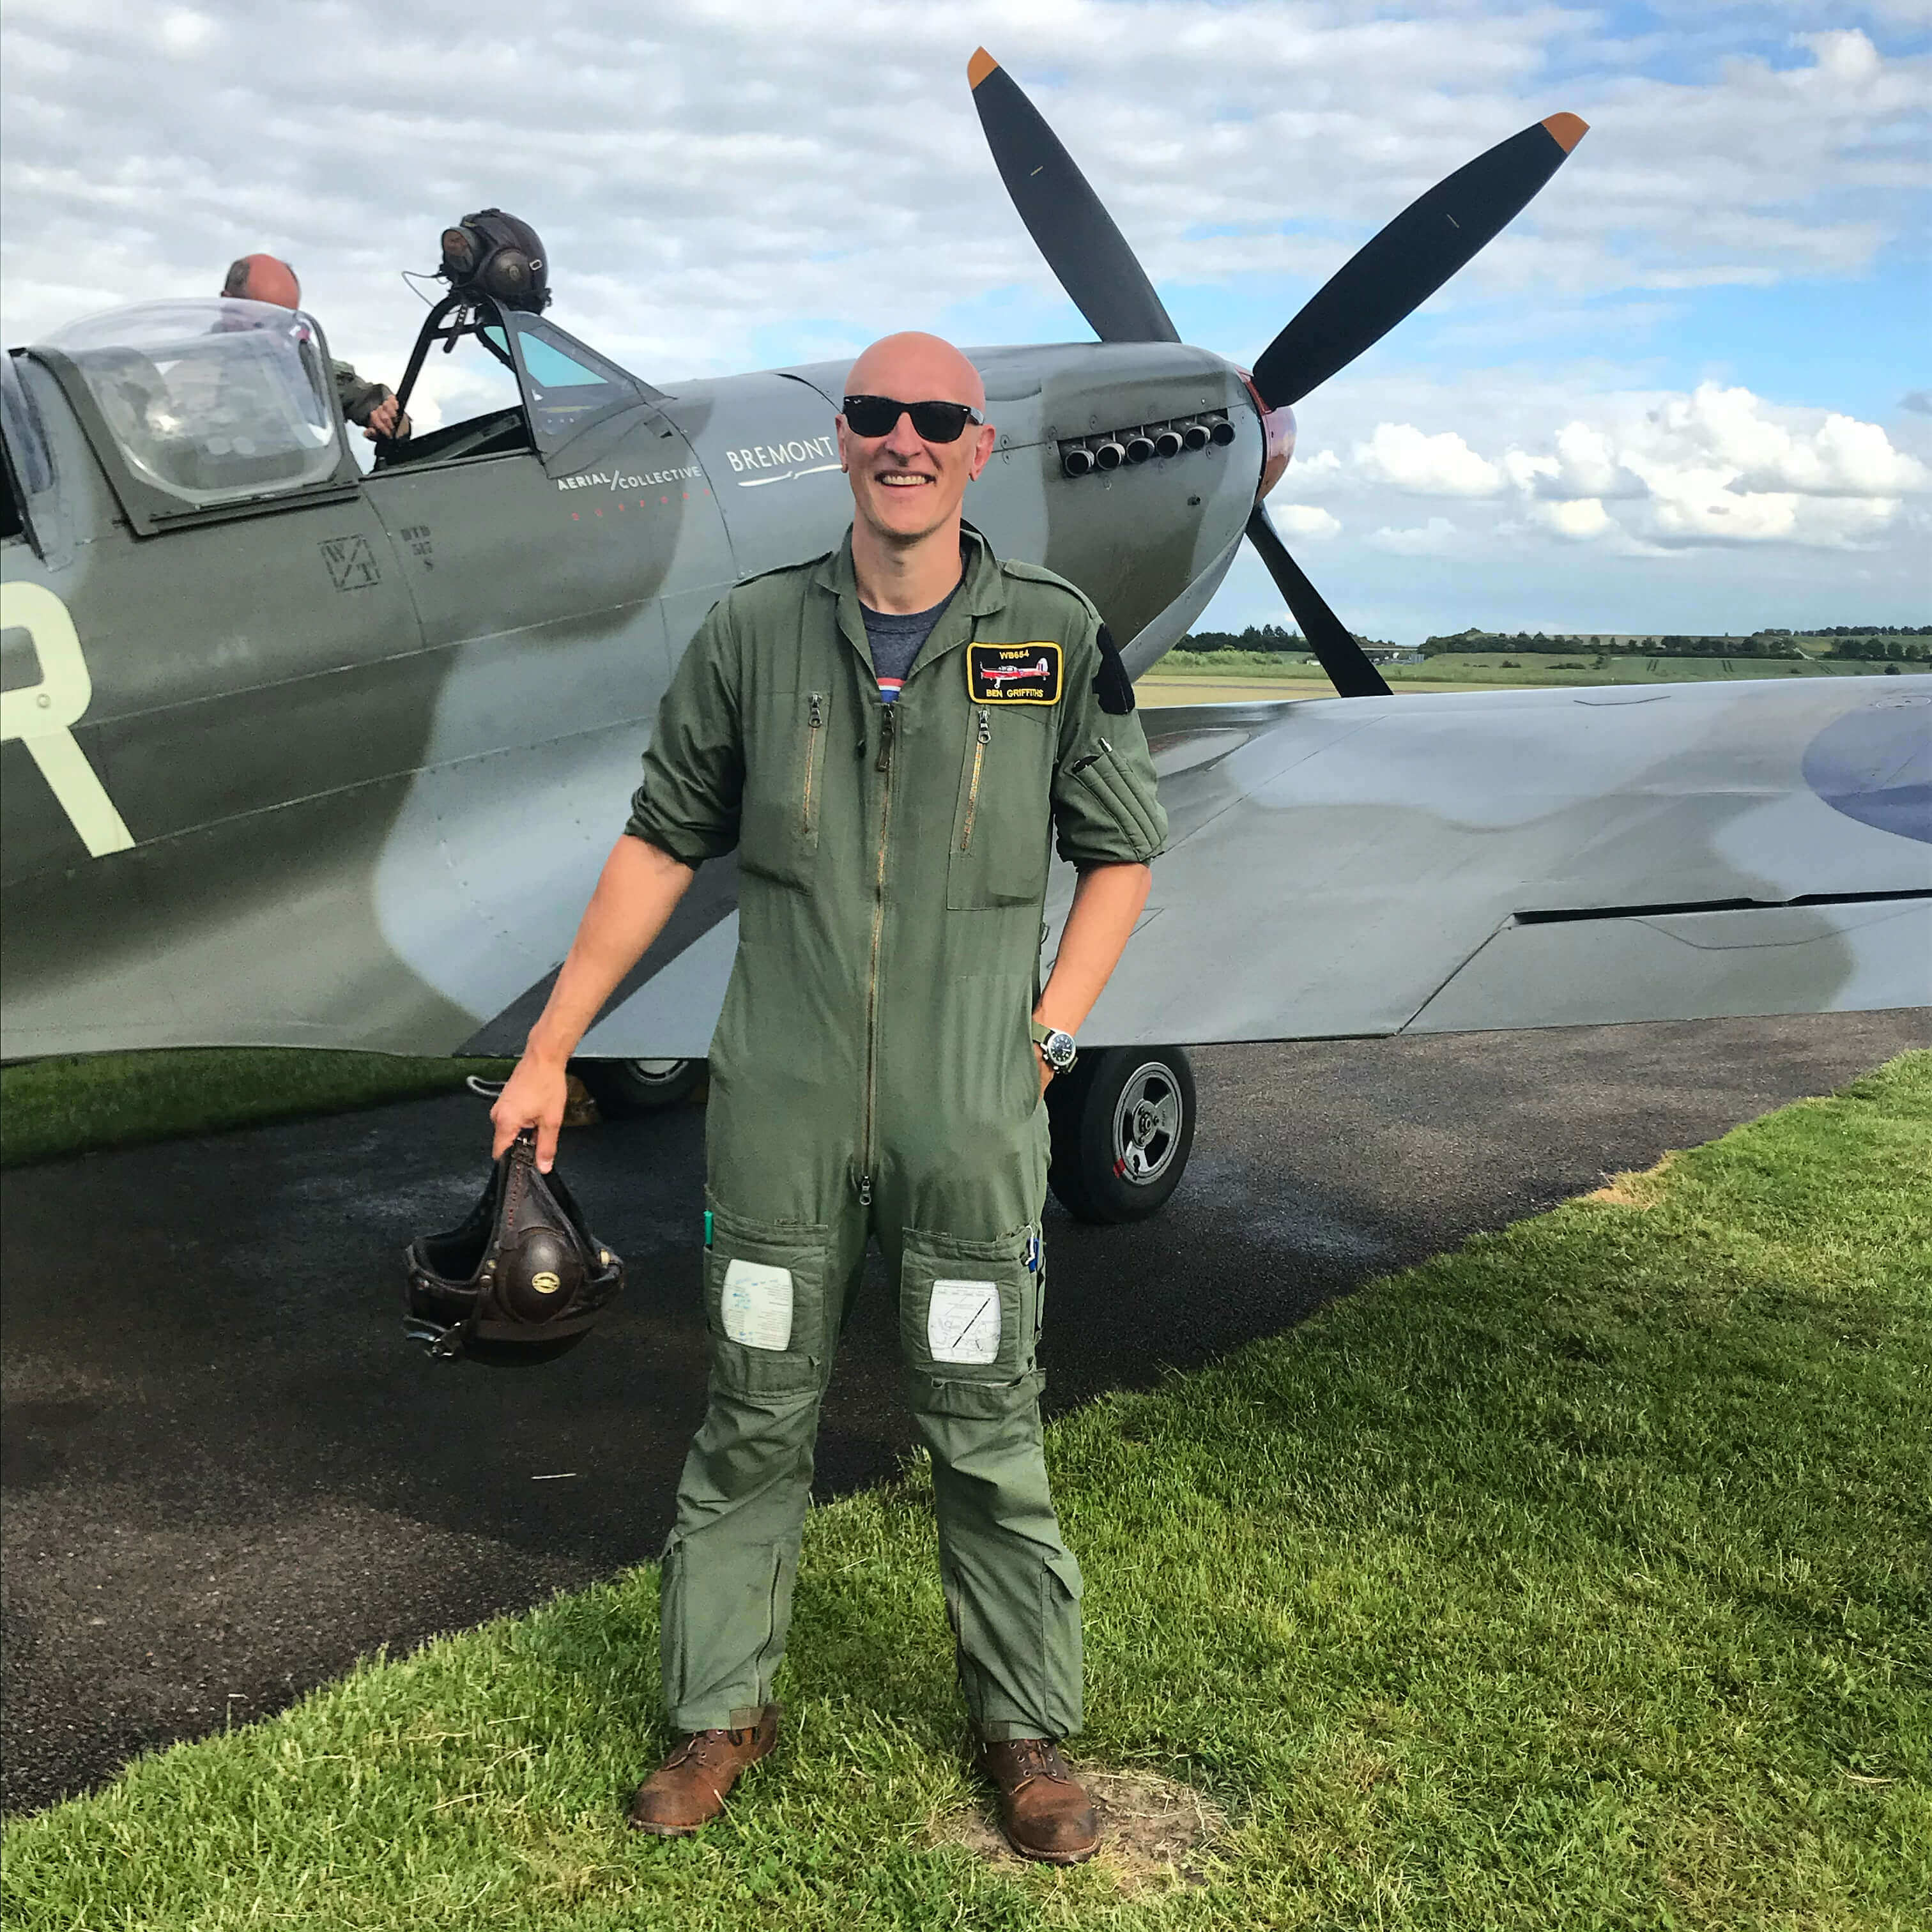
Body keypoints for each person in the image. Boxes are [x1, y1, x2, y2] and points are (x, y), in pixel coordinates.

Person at [488, 330, 1167, 1864]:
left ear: (978, 450)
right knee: (750, 1420)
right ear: (845, 444)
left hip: (970, 1124)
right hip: (782, 1116)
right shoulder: (751, 634)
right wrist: (550, 1046)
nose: (905, 440)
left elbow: (1123, 851)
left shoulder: (1050, 636)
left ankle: (1024, 1730)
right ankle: (718, 1712)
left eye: (937, 419)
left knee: (987, 1428)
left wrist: (1050, 1039)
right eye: (876, 416)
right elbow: (660, 844)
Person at [220, 254, 410, 441]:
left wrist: (389, 417)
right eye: (264, 325)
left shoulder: (304, 366)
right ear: (228, 306)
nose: (277, 340)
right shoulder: (194, 371)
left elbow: (365, 398)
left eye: (285, 324)